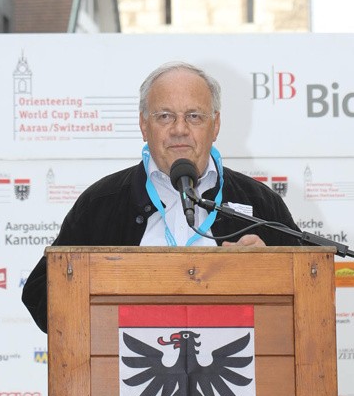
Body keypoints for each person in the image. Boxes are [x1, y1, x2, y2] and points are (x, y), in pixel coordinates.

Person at [22, 60, 303, 332]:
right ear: (144, 125)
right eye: (165, 116)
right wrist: (103, 283)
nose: (179, 129)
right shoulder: (100, 204)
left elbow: (306, 290)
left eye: (194, 116)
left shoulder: (259, 203)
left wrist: (269, 270)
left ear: (215, 125)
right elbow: (40, 296)